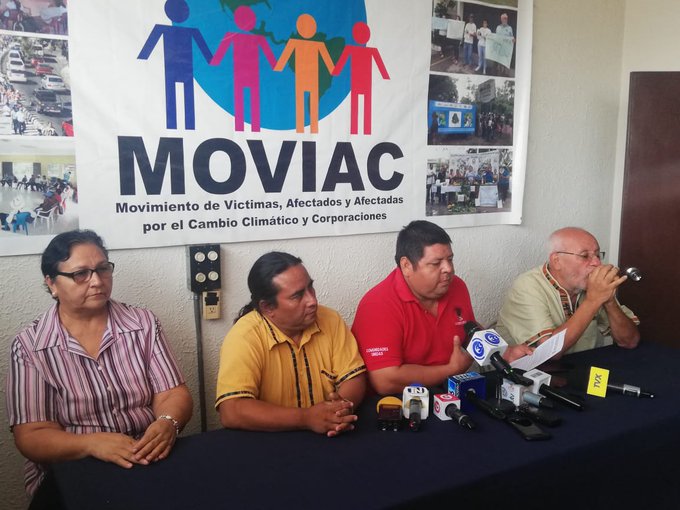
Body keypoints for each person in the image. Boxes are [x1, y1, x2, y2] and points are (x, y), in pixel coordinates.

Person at [5, 230, 192, 498]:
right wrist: (91, 444)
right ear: (52, 283)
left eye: (103, 269)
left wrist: (167, 423)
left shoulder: (143, 324)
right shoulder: (30, 345)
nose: (96, 281)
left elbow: (173, 393)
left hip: (146, 453)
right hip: (75, 465)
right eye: (80, 274)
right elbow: (32, 435)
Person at [352, 220, 530, 395]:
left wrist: (504, 353)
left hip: (449, 390)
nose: (448, 269)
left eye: (450, 259)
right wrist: (451, 369)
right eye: (436, 263)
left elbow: (468, 331)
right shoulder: (378, 305)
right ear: (406, 266)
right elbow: (385, 381)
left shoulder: (456, 286)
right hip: (398, 400)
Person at [216, 252, 366, 437]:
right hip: (269, 441)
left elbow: (354, 377)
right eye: (297, 296)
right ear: (268, 308)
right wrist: (306, 418)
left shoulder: (330, 319)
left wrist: (339, 410)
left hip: (329, 435)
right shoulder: (244, 336)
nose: (312, 300)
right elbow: (232, 411)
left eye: (311, 287)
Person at [495, 227, 640, 357]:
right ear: (556, 261)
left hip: (582, 369)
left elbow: (630, 341)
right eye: (585, 256)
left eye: (597, 255)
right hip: (529, 374)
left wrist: (609, 301)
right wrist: (594, 300)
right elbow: (549, 353)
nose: (597, 263)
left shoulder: (593, 286)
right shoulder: (527, 286)